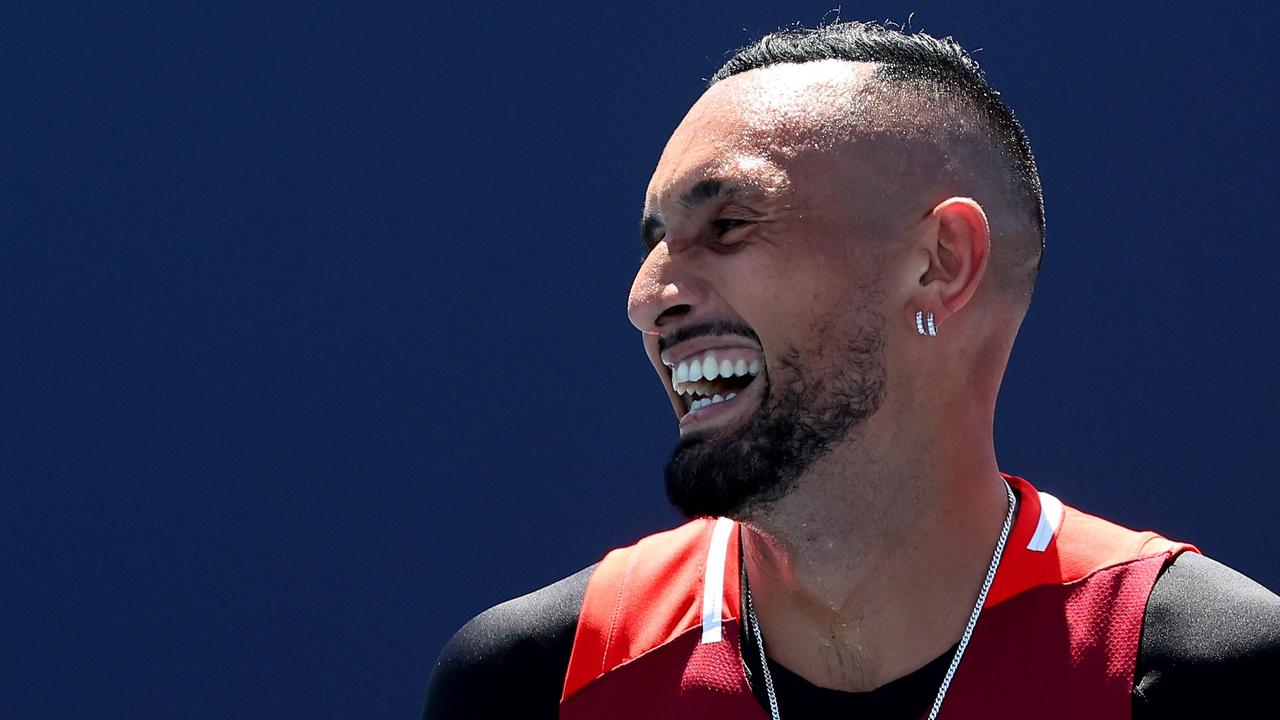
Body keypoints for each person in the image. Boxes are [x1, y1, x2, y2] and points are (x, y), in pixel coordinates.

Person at [423, 21, 1280, 719]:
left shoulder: (1218, 675)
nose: (647, 299)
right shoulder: (532, 683)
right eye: (653, 245)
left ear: (941, 262)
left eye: (727, 225)